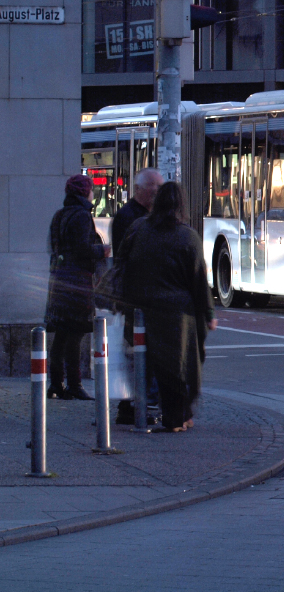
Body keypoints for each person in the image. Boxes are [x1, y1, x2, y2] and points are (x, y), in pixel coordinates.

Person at [121, 182, 217, 432]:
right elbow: (198, 279)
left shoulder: (138, 229)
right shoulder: (187, 236)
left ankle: (138, 411)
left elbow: (123, 263)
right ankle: (177, 417)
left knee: (147, 364)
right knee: (181, 367)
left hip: (140, 309)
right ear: (180, 205)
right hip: (177, 313)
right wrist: (208, 313)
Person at [44, 174, 110, 400]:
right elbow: (83, 249)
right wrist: (103, 250)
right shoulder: (82, 216)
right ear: (85, 192)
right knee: (75, 335)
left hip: (59, 280)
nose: (93, 193)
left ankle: (55, 384)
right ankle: (74, 384)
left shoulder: (59, 215)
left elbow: (54, 247)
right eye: (91, 190)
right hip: (77, 282)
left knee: (62, 334)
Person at [112, 167, 164, 425]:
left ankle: (133, 406)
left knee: (138, 354)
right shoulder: (130, 217)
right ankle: (132, 408)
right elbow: (130, 259)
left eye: (160, 187)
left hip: (139, 296)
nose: (157, 192)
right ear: (139, 189)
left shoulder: (143, 215)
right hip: (135, 298)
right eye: (153, 187)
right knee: (136, 354)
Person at [111, 168, 163, 257]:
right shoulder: (125, 216)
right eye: (150, 185)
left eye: (159, 186)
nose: (155, 190)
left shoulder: (159, 214)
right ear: (137, 188)